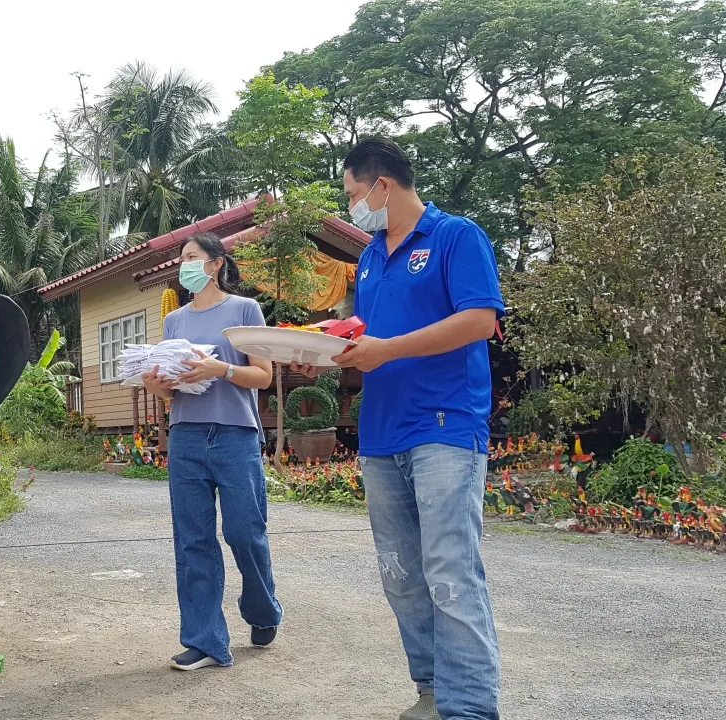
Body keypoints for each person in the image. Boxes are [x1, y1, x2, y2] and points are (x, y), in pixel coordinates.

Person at [292, 137, 503, 720]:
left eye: (352, 193)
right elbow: (366, 337)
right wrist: (322, 351)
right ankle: (433, 691)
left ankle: (469, 708)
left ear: (382, 185)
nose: (351, 206)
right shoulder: (368, 258)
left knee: (450, 570)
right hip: (382, 433)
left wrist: (385, 350)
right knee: (401, 574)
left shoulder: (456, 236)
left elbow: (479, 319)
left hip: (444, 425)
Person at [142, 232, 281, 671]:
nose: (183, 265)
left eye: (191, 256)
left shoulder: (245, 309)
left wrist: (220, 369)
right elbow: (170, 391)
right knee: (193, 541)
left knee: (245, 532)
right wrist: (156, 384)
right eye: (180, 259)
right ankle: (205, 641)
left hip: (235, 435)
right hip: (185, 435)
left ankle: (262, 609)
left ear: (216, 262)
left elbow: (263, 376)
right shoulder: (174, 321)